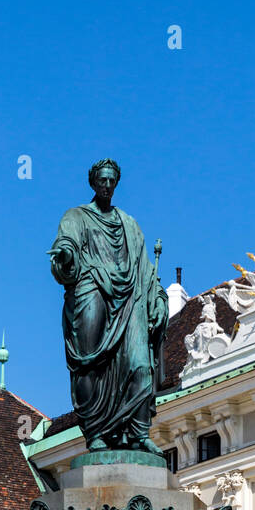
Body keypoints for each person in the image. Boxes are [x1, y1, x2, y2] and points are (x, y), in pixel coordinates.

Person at [49, 158, 169, 452]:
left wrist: (158, 299)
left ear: (116, 183)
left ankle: (139, 433)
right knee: (88, 362)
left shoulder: (129, 224)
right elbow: (66, 246)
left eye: (111, 180)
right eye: (101, 180)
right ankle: (96, 432)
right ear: (93, 182)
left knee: (140, 365)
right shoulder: (76, 217)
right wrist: (65, 256)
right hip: (92, 289)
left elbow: (146, 271)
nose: (106, 185)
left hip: (131, 300)